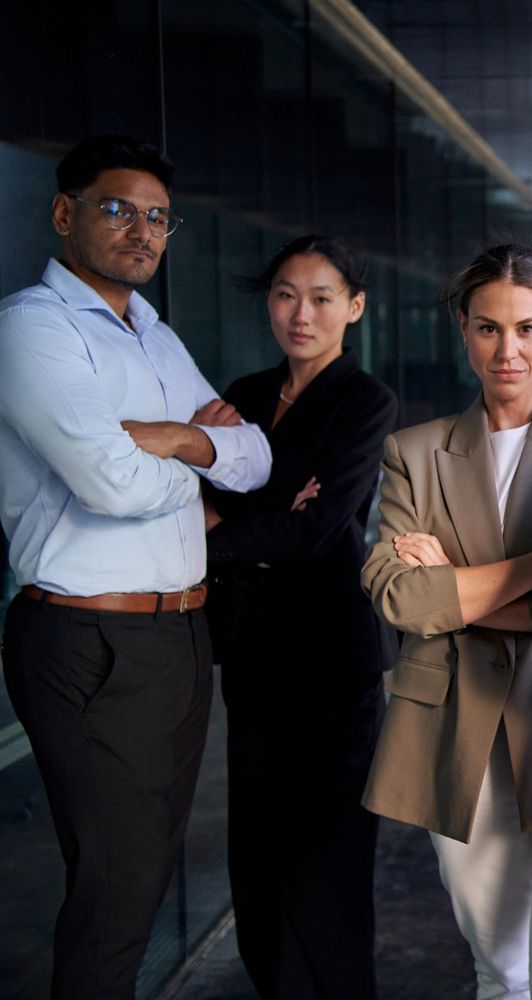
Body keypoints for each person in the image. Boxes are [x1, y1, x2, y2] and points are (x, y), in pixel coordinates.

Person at [0, 134, 271, 999]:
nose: (142, 231)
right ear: (64, 213)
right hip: (88, 639)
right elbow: (109, 483)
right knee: (117, 892)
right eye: (120, 209)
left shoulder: (152, 336)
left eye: (158, 218)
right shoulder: (29, 331)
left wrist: (177, 441)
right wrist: (199, 455)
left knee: (141, 876)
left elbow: (256, 456)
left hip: (179, 636)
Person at [361, 244, 532, 1000]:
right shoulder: (413, 453)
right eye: (489, 328)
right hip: (454, 724)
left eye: (527, 328)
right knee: (496, 963)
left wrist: (456, 591)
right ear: (463, 330)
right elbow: (401, 600)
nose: (508, 350)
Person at [201, 235, 397, 998]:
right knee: (257, 851)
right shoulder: (241, 396)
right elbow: (211, 499)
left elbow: (316, 531)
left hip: (331, 656)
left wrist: (229, 528)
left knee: (327, 856)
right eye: (285, 294)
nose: (301, 313)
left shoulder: (363, 400)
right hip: (250, 652)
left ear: (353, 307)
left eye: (321, 297)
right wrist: (269, 508)